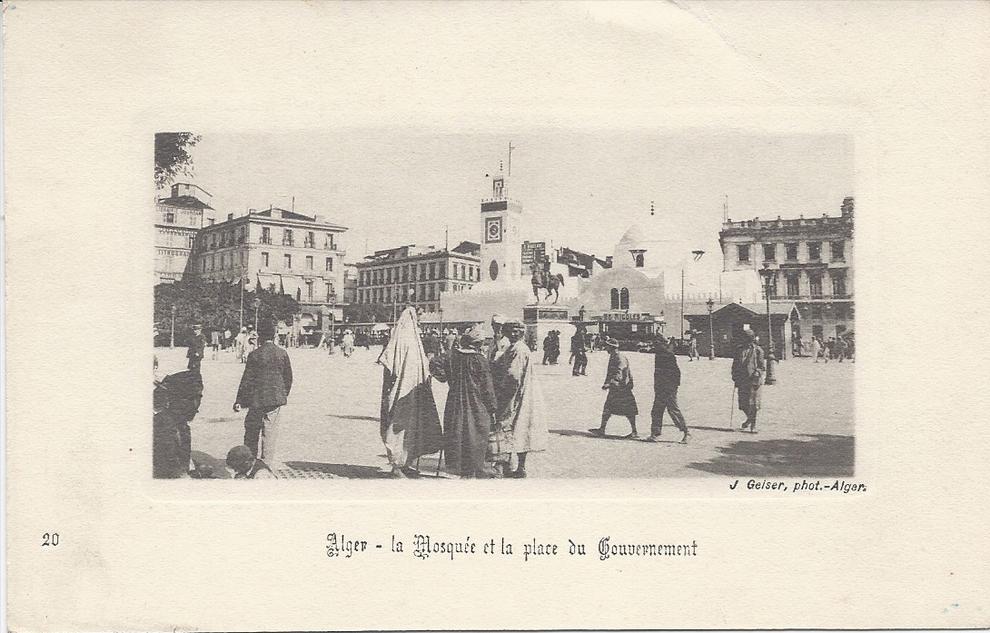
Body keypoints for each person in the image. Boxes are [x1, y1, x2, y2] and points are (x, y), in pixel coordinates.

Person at [378, 307, 443, 478]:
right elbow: (389, 365)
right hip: (402, 392)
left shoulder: (412, 340)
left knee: (411, 427)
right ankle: (396, 466)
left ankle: (406, 462)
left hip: (412, 392)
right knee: (398, 427)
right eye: (418, 317)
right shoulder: (403, 340)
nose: (420, 320)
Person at [431, 326, 498, 478]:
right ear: (479, 344)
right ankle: (474, 468)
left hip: (455, 400)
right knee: (476, 433)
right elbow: (487, 388)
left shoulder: (451, 355)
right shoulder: (480, 360)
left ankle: (458, 467)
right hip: (476, 402)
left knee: (457, 430)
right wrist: (492, 407)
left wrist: (445, 378)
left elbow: (434, 363)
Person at [492, 319, 548, 478]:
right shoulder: (514, 348)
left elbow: (513, 376)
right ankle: (517, 468)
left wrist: (502, 394)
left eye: (517, 331)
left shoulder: (519, 350)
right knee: (520, 428)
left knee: (507, 428)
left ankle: (509, 468)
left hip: (516, 394)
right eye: (511, 330)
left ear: (522, 333)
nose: (514, 333)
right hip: (520, 392)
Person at [233, 320, 293, 465]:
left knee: (252, 430)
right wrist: (282, 393)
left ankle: (249, 461)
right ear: (274, 336)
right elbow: (288, 378)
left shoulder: (254, 355)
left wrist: (239, 400)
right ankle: (266, 464)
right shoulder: (282, 353)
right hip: (274, 399)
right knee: (270, 432)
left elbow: (247, 380)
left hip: (256, 399)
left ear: (259, 336)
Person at [589, 337, 639, 439]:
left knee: (629, 410)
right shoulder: (613, 356)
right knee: (608, 407)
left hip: (622, 388)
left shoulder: (619, 358)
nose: (605, 348)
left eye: (607, 346)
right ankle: (602, 429)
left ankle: (634, 432)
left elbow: (619, 372)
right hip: (616, 387)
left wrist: (611, 383)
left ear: (612, 347)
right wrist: (607, 382)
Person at [648, 336, 690, 443]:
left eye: (656, 343)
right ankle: (655, 433)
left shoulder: (666, 354)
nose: (654, 345)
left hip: (668, 387)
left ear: (661, 343)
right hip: (661, 387)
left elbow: (676, 373)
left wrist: (672, 387)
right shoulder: (661, 353)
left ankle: (686, 432)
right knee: (656, 410)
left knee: (673, 410)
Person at [731, 329, 765, 433]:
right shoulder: (739, 349)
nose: (745, 340)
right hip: (742, 380)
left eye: (748, 338)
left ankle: (753, 425)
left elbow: (761, 367)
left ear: (752, 339)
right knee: (743, 404)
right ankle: (749, 419)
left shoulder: (758, 350)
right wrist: (734, 375)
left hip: (754, 381)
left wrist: (757, 373)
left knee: (753, 404)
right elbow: (735, 364)